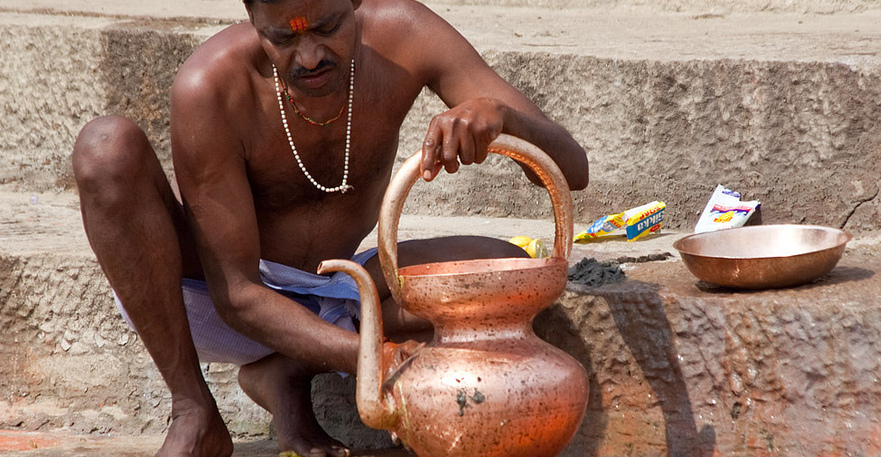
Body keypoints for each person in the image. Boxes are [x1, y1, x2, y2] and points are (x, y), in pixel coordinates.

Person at [71, 0, 588, 455]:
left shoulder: (407, 34)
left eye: (327, 27)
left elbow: (573, 172)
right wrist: (384, 363)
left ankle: (286, 372)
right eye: (284, 37)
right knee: (104, 147)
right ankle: (193, 412)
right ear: (252, 19)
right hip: (209, 299)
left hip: (336, 289)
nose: (310, 56)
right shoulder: (209, 86)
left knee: (504, 266)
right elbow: (239, 295)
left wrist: (500, 116)